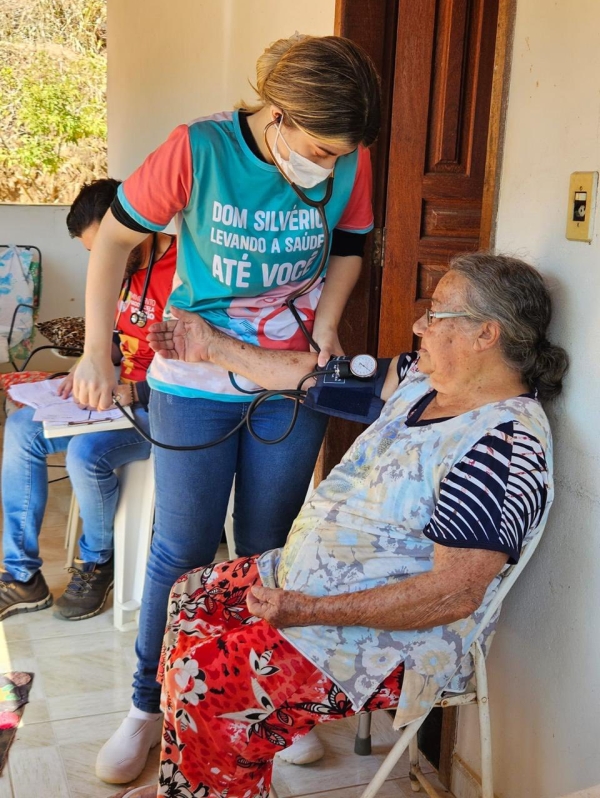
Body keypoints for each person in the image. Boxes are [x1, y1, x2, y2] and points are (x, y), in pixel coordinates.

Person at [107, 252, 568, 798]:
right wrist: (211, 346)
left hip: (389, 639)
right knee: (191, 596)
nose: (418, 324)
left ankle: (206, 776)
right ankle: (195, 777)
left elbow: (453, 594)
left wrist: (307, 610)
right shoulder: (420, 380)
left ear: (486, 333)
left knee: (206, 680)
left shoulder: (500, 446)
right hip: (312, 591)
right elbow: (314, 377)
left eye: (436, 313)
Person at [73, 34, 382, 782]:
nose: (331, 165)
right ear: (279, 114)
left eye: (341, 154)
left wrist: (328, 323)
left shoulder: (352, 155)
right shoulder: (198, 149)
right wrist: (95, 351)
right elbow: (111, 243)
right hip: (193, 375)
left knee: (267, 548)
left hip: (289, 377)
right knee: (182, 551)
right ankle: (148, 706)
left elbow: (350, 245)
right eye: (319, 150)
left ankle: (259, 701)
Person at [0, 179, 176, 622]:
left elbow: (203, 367)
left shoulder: (184, 268)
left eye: (107, 245)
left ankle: (98, 560)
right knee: (20, 428)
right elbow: (118, 340)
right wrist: (87, 367)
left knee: (85, 453)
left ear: (133, 222)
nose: (103, 258)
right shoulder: (118, 270)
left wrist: (135, 391)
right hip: (119, 400)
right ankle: (22, 576)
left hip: (164, 408)